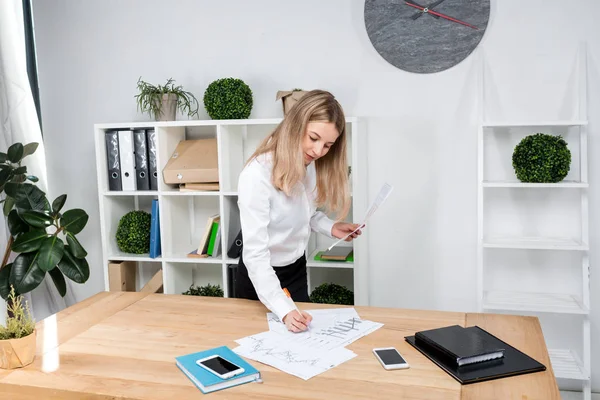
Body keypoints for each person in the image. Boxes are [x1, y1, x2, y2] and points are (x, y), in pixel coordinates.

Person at [235, 89, 362, 333]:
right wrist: (284, 309)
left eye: (327, 145)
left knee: (305, 342)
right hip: (259, 277)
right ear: (295, 126)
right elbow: (255, 256)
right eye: (313, 138)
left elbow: (307, 212)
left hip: (295, 269)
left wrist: (331, 227)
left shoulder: (308, 163)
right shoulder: (256, 175)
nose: (317, 151)